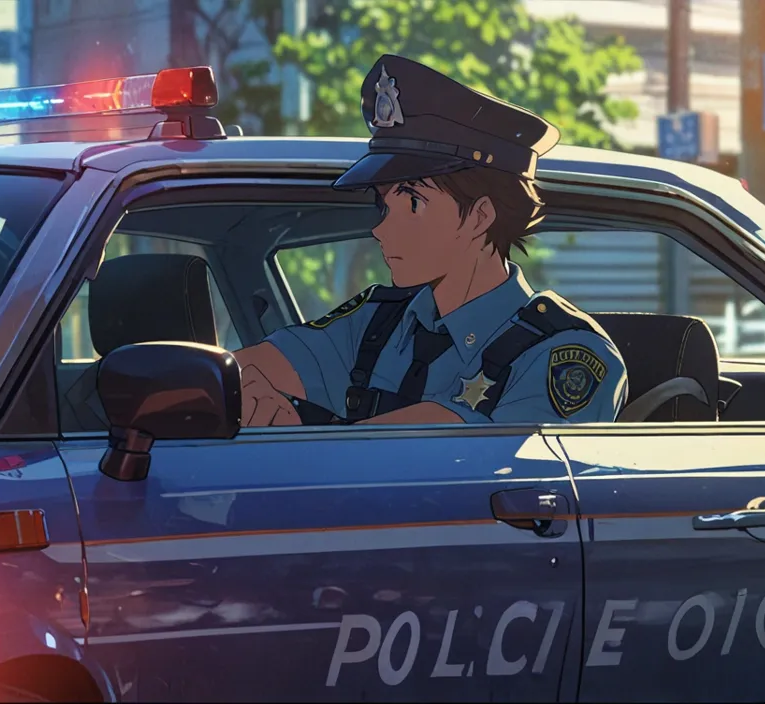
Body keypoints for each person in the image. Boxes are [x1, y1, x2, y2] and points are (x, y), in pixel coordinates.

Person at [233, 54, 628, 428]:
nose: (381, 229)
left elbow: (457, 457)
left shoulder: (566, 355)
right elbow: (229, 376)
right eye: (383, 204)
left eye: (413, 202)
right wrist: (244, 397)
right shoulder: (378, 321)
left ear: (480, 215)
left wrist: (303, 436)